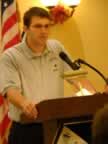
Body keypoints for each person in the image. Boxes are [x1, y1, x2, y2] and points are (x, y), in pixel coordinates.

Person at [0, 7, 71, 144]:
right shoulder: (10, 56)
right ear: (25, 29)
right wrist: (24, 103)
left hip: (56, 124)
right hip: (27, 128)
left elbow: (76, 75)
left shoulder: (57, 48)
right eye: (38, 26)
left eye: (47, 26)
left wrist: (94, 95)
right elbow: (10, 90)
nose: (44, 31)